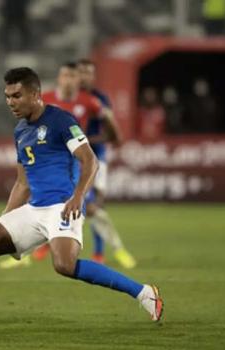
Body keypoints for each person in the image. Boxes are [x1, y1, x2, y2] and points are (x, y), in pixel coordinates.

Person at [0, 67, 162, 336]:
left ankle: (144, 293)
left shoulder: (61, 120)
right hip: (34, 209)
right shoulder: (20, 130)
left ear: (35, 94)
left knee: (64, 265)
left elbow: (90, 161)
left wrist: (78, 197)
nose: (10, 102)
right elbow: (22, 183)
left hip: (63, 206)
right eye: (7, 96)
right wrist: (5, 218)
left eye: (17, 96)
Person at [0, 62, 136, 269]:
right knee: (43, 205)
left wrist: (97, 140)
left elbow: (110, 128)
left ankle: (112, 249)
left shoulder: (91, 101)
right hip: (55, 162)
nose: (70, 80)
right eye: (66, 75)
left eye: (74, 76)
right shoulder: (48, 100)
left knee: (91, 208)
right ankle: (33, 251)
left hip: (81, 161)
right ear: (59, 78)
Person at [77, 58, 136, 267]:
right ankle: (109, 251)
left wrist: (88, 140)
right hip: (75, 159)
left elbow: (111, 133)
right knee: (86, 205)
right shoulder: (70, 98)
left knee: (95, 205)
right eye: (81, 72)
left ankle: (100, 253)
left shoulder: (100, 99)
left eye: (88, 72)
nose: (85, 76)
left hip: (97, 157)